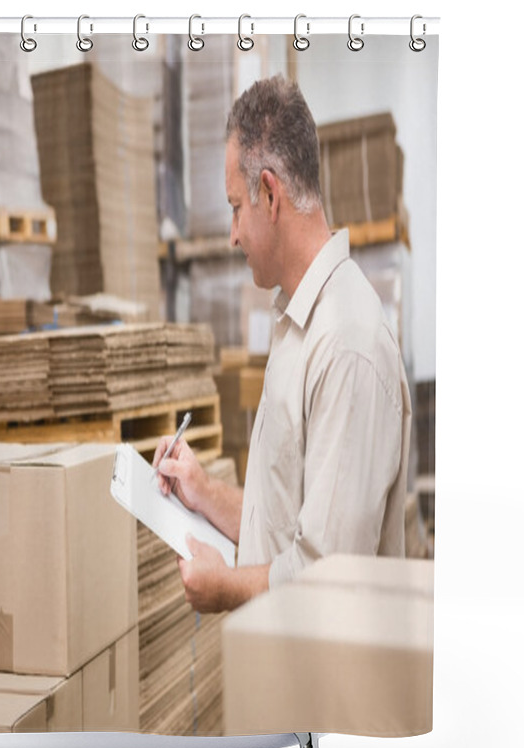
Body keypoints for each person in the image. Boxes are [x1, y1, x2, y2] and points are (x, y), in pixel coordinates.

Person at [153, 75, 411, 614]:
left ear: (269, 195)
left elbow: (325, 573)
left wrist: (223, 588)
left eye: (234, 209)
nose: (231, 235)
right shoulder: (297, 323)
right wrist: (201, 490)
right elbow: (290, 523)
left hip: (325, 694)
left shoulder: (346, 346)